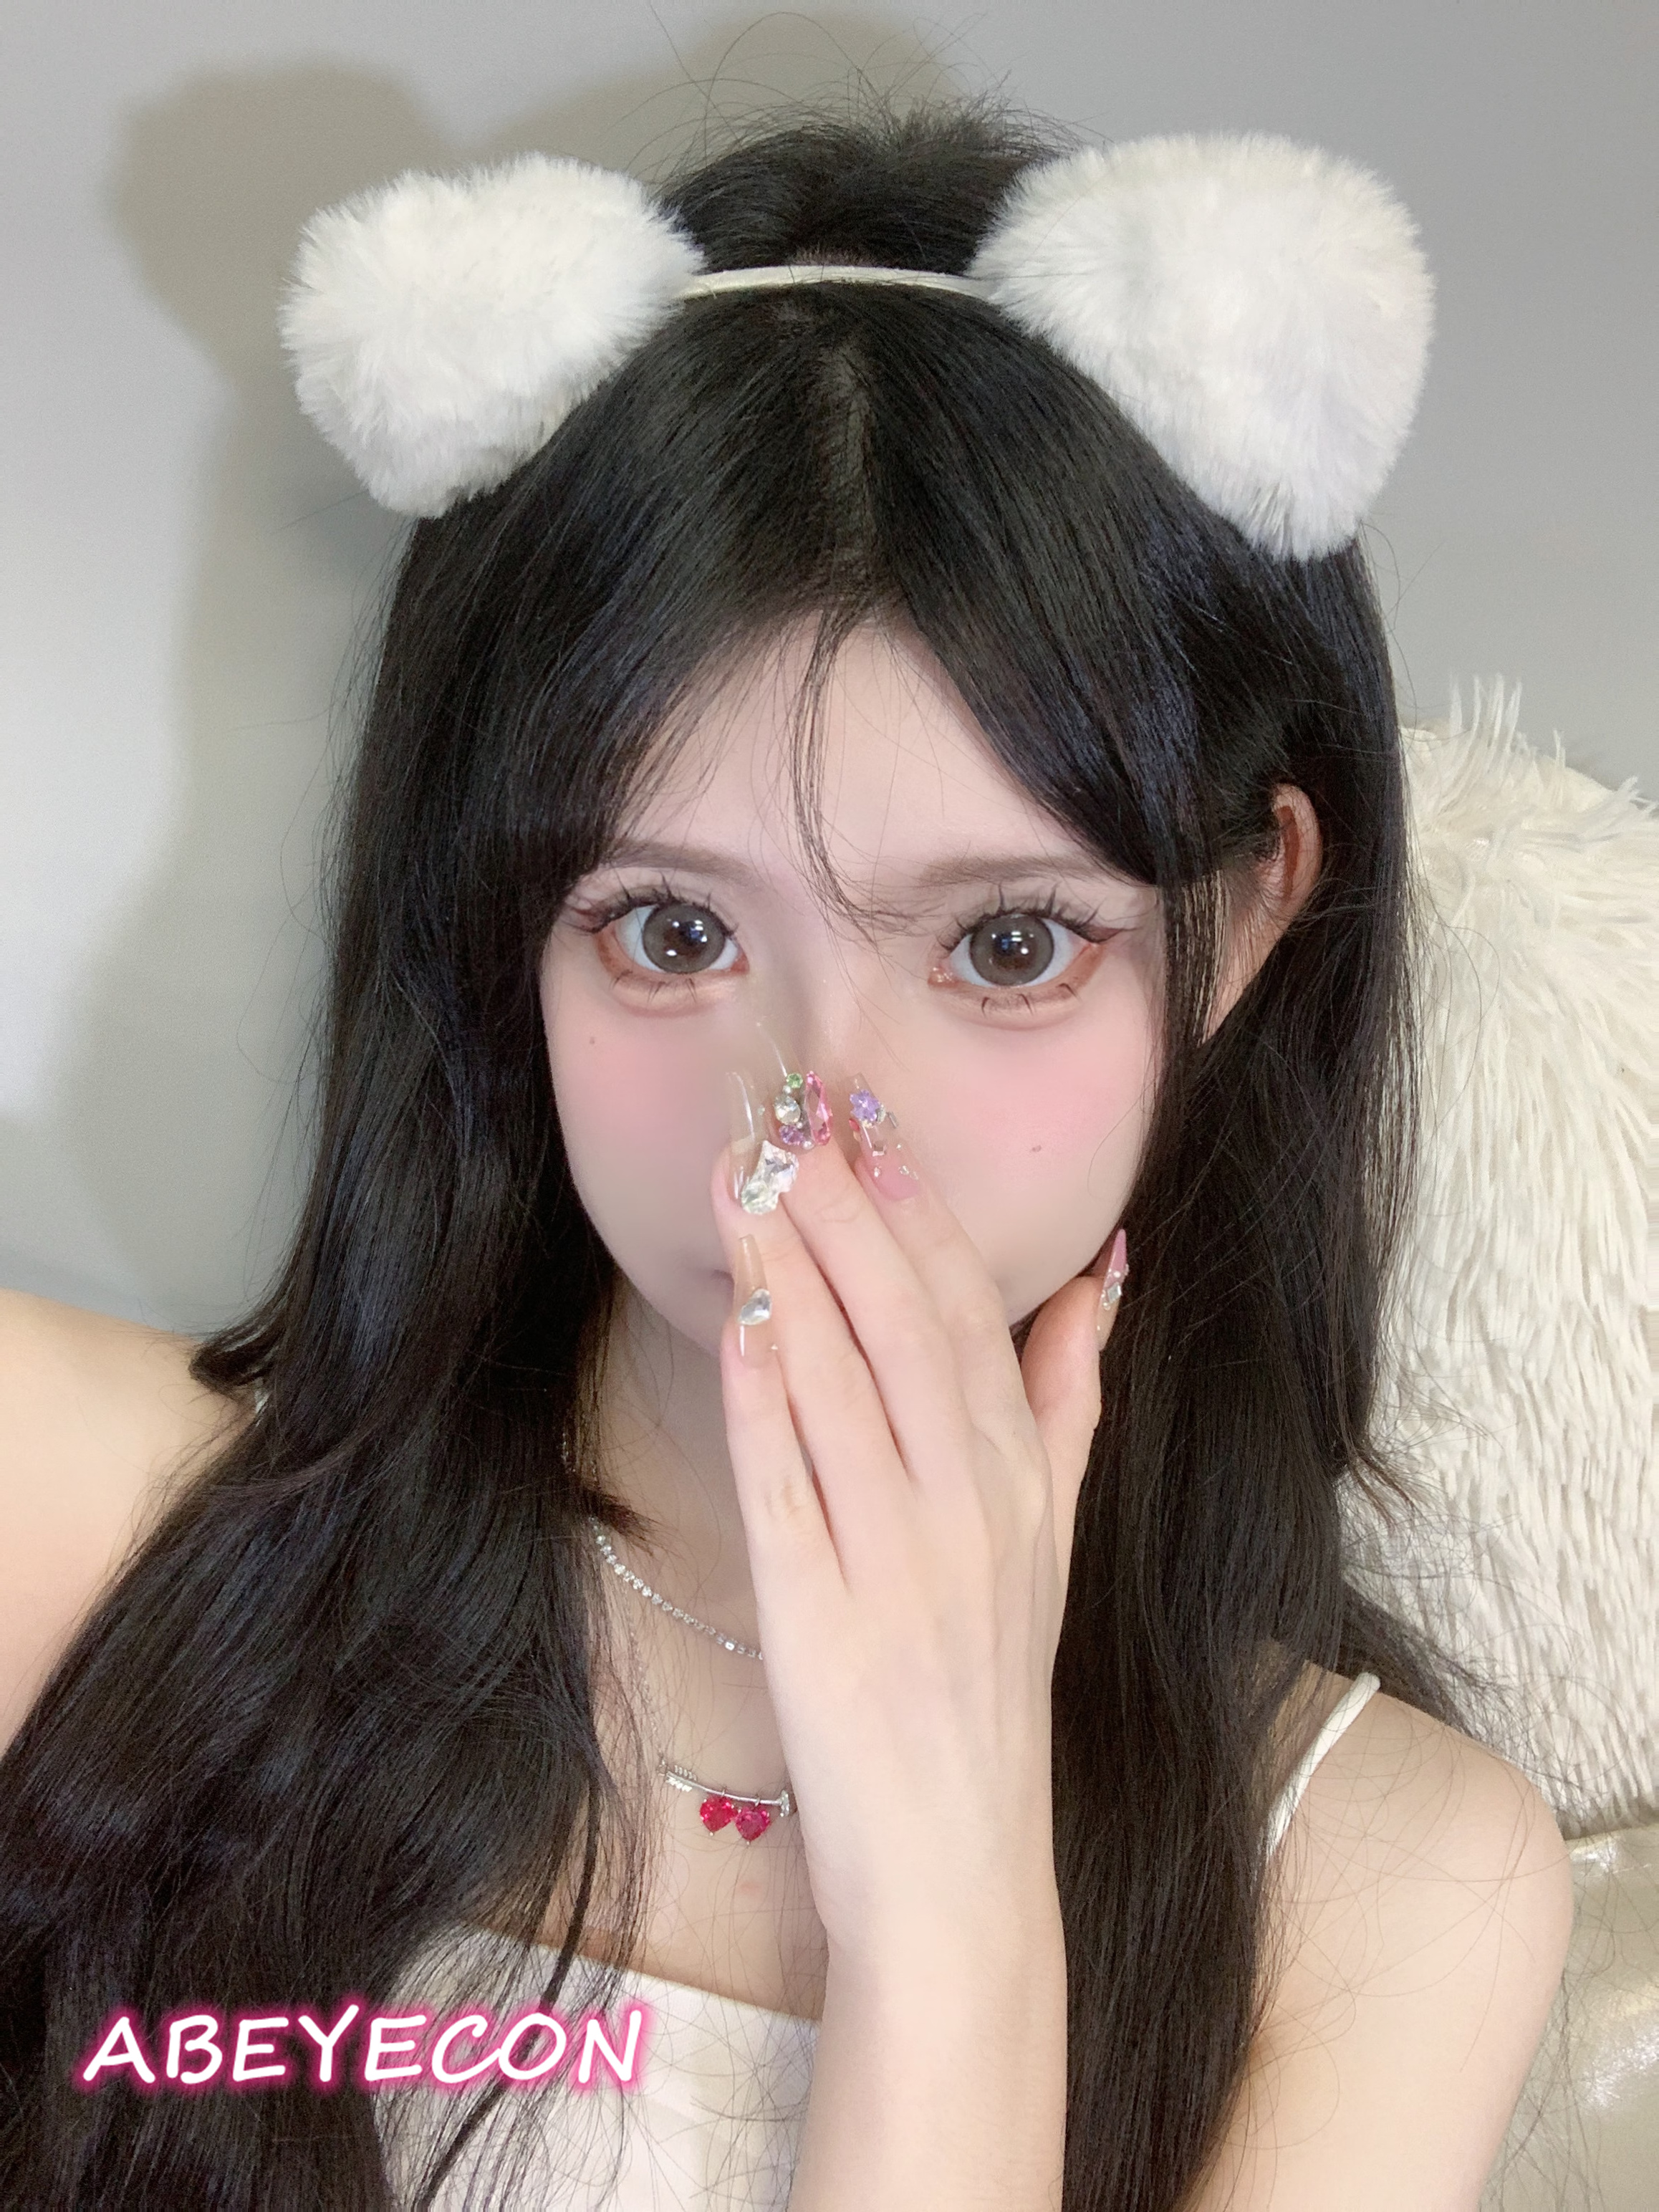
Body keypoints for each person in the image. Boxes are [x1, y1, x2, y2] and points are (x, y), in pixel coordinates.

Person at [0, 97, 1572, 2211]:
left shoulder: (1391, 1893)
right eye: (672, 934)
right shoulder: (59, 1517)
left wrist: (953, 1905)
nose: (812, 1131)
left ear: (1241, 922)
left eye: (1006, 946)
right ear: (503, 919)